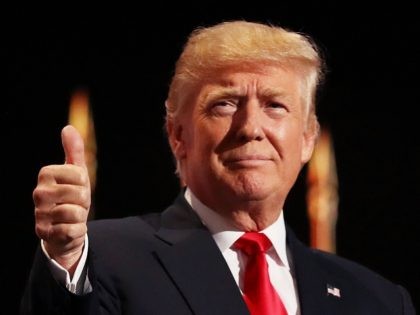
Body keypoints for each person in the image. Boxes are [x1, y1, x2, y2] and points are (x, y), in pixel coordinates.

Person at [21, 21, 416, 315]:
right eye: (224, 104)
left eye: (275, 105)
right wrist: (67, 260)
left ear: (308, 137)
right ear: (178, 136)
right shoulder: (102, 259)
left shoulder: (377, 300)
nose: (250, 128)